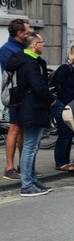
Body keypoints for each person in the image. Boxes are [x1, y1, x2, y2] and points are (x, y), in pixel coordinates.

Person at [7, 32, 55, 196]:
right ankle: (27, 184)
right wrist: (51, 99)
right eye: (41, 42)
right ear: (34, 45)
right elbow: (38, 87)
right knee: (30, 146)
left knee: (32, 146)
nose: (43, 45)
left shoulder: (23, 60)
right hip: (32, 108)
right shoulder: (30, 63)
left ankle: (32, 180)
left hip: (28, 107)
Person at [52, 44, 74, 172]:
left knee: (69, 133)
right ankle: (61, 162)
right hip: (63, 105)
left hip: (70, 104)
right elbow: (59, 88)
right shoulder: (65, 68)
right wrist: (69, 102)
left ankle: (65, 161)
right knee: (64, 134)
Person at [1, 18, 29, 181]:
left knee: (22, 129)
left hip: (23, 93)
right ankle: (9, 167)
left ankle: (22, 166)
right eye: (27, 31)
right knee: (14, 128)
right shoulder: (7, 49)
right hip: (15, 94)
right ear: (19, 33)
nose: (29, 34)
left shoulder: (20, 47)